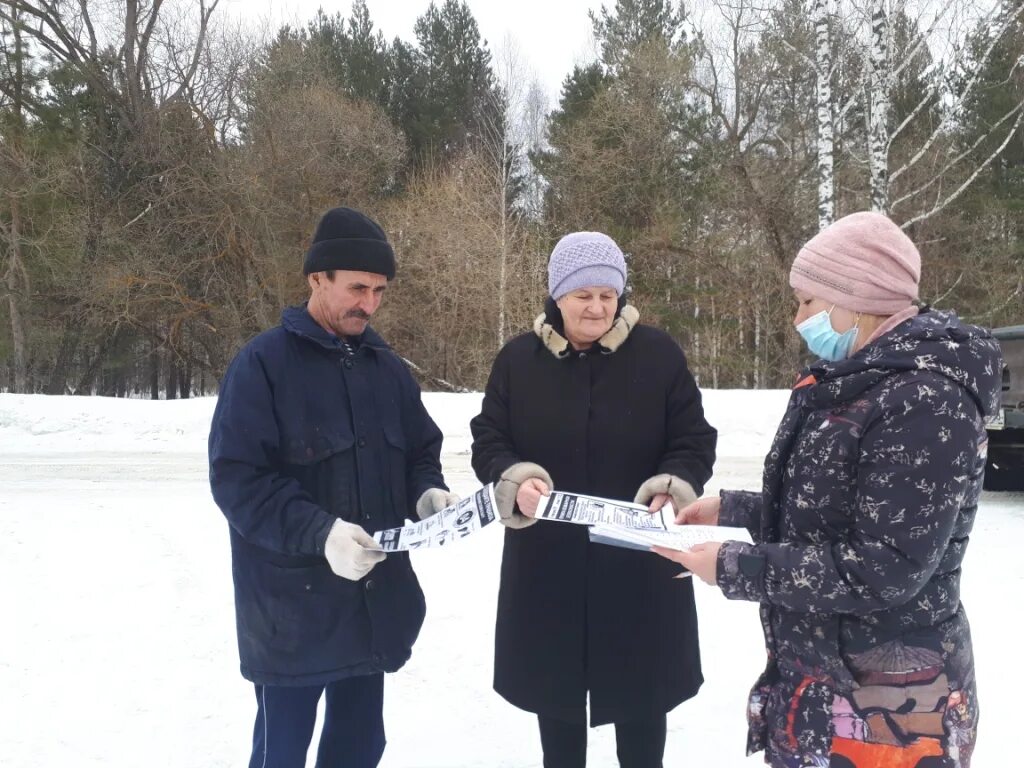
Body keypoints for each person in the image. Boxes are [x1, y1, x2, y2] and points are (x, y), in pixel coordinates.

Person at [655, 211, 1002, 768]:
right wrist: (735, 507)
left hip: (891, 710)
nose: (798, 318)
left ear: (855, 298)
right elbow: (839, 507)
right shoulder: (855, 379)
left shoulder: (923, 399)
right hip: (822, 680)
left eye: (807, 302)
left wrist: (734, 566)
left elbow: (885, 565)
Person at [208, 207, 457, 768]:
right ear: (316, 279)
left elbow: (421, 448)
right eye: (356, 288)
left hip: (371, 608)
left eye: (378, 290)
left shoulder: (384, 366)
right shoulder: (262, 365)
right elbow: (238, 479)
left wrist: (427, 492)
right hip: (291, 615)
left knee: (358, 750)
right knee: (282, 754)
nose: (368, 303)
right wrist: (322, 534)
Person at [470, 231, 717, 768]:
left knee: (643, 703)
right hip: (548, 562)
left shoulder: (658, 355)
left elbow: (694, 439)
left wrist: (672, 482)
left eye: (609, 294)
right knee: (556, 706)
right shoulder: (518, 360)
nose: (598, 306)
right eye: (584, 295)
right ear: (558, 295)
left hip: (639, 562)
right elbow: (489, 439)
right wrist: (513, 479)